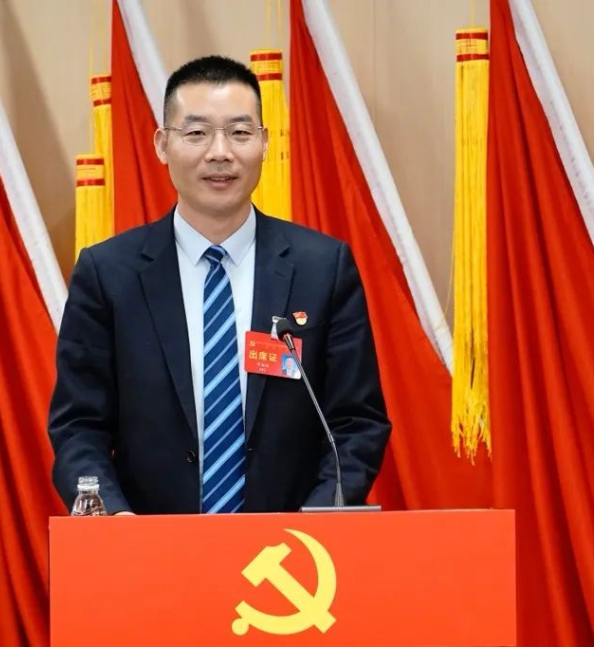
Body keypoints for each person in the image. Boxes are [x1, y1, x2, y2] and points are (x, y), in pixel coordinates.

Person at [48, 55, 390, 515]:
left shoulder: (323, 268)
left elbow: (356, 423)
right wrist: (116, 521)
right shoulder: (108, 274)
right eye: (196, 133)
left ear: (264, 143)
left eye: (240, 132)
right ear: (163, 144)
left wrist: (318, 521)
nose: (220, 152)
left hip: (289, 548)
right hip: (149, 544)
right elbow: (78, 427)